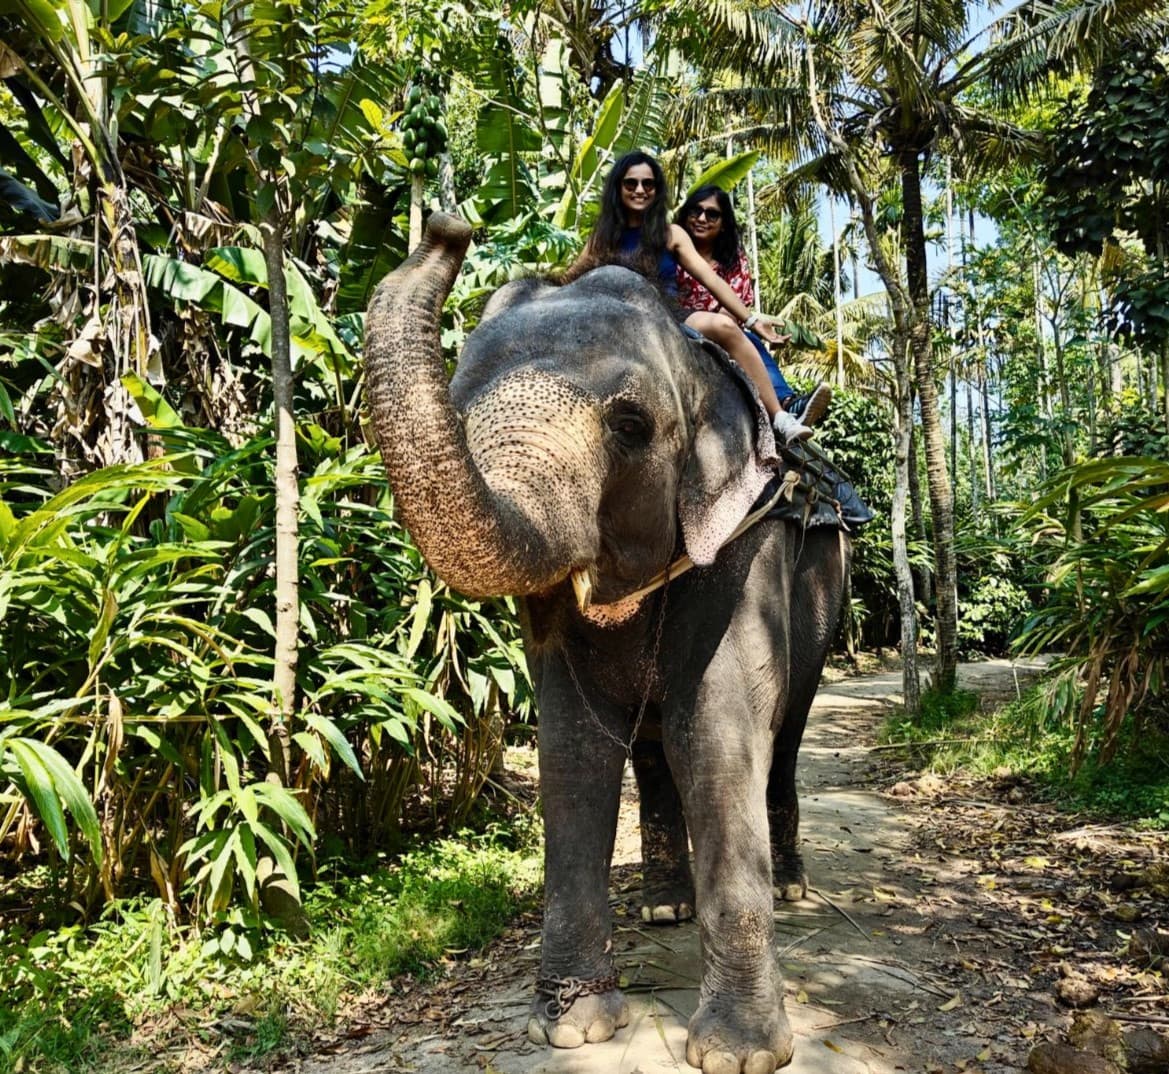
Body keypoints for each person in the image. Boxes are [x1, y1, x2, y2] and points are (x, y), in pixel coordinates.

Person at [566, 151, 815, 444]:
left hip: (667, 316)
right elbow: (572, 277)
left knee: (724, 326)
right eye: (631, 183)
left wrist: (752, 320)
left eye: (648, 183)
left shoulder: (671, 234)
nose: (640, 190)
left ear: (657, 190)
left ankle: (780, 418)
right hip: (617, 320)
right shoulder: (603, 237)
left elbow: (711, 279)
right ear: (618, 188)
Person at [674, 185, 831, 427]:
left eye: (712, 214)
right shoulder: (671, 248)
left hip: (720, 329)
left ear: (723, 223)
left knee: (748, 339)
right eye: (696, 211)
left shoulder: (733, 259)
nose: (702, 219)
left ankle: (786, 403)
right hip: (677, 324)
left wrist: (721, 326)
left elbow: (732, 310)